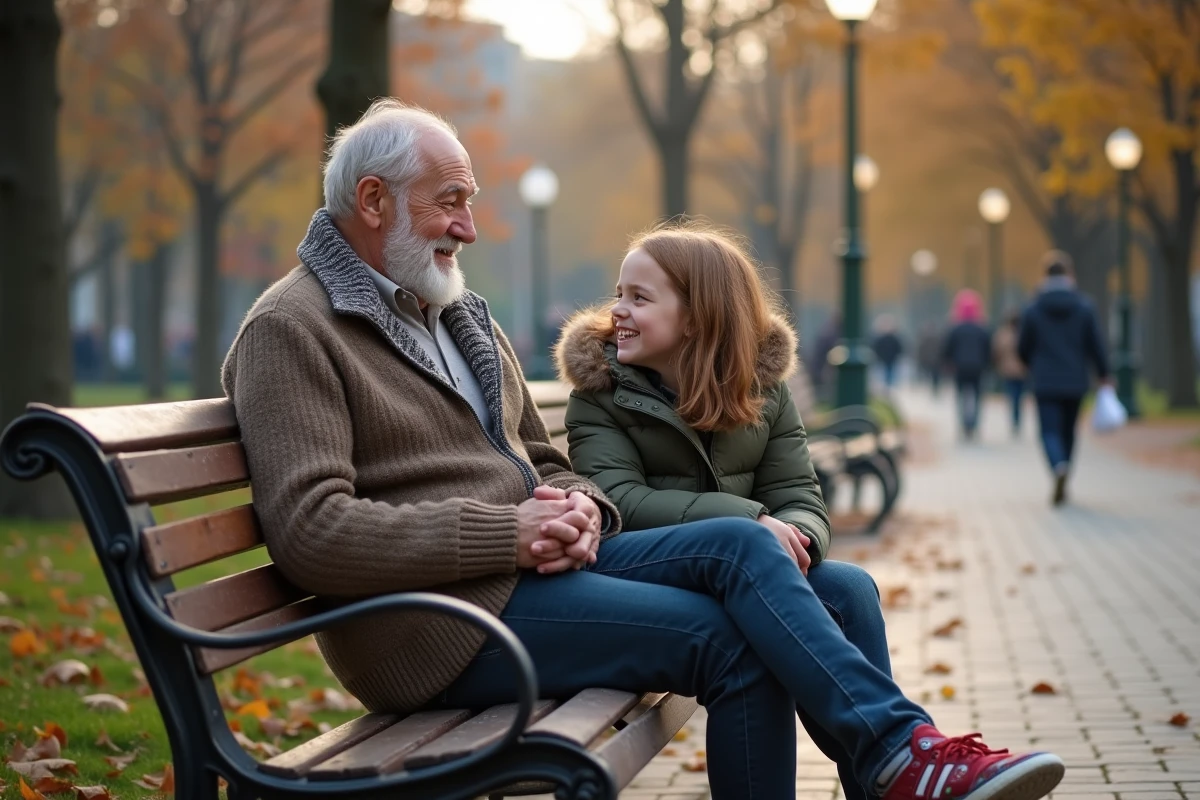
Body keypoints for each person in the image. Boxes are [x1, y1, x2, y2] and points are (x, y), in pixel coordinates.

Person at [222, 101, 1064, 800]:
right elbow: (312, 532)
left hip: (524, 578)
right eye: (450, 201)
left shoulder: (454, 314)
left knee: (836, 588)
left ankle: (896, 762)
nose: (469, 227)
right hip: (432, 628)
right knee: (737, 638)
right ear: (372, 201)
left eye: (468, 202)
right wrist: (506, 532)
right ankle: (899, 758)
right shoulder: (292, 330)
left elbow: (542, 462)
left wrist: (582, 506)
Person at [553, 223, 1064, 800]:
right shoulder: (600, 392)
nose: (617, 310)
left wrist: (796, 534)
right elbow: (621, 501)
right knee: (750, 556)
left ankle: (892, 777)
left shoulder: (763, 389)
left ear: (698, 316)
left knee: (847, 588)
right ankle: (903, 753)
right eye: (619, 293)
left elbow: (800, 491)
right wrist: (750, 521)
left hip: (734, 565)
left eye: (639, 298)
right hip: (639, 569)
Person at [1018, 251, 1110, 506]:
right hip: (1075, 379)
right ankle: (1065, 470)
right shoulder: (1084, 306)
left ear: (1044, 275)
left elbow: (1023, 345)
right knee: (1069, 431)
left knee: (1048, 431)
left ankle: (1058, 466)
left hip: (1045, 380)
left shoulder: (1033, 308)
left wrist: (1030, 364)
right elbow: (1095, 344)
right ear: (1069, 274)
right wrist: (1103, 373)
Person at [942, 290, 992, 440]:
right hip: (977, 367)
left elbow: (948, 348)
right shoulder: (982, 328)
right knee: (977, 396)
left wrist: (948, 362)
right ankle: (973, 424)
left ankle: (963, 424)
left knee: (961, 396)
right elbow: (987, 348)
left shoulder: (955, 328)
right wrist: (987, 364)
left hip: (960, 367)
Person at [993, 310, 1027, 438]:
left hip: (1007, 370)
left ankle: (1014, 420)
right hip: (1022, 370)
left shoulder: (1003, 334)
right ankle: (1017, 420)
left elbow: (997, 351)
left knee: (1012, 396)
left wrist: (997, 364)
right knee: (1018, 396)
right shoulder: (1023, 332)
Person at [871, 315, 905, 391]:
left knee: (890, 373)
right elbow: (876, 348)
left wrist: (898, 355)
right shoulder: (880, 338)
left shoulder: (894, 338)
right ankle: (885, 387)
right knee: (882, 374)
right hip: (882, 359)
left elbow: (899, 348)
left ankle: (889, 387)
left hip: (891, 359)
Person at [915, 322, 943, 396]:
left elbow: (920, 350)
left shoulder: (923, 338)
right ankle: (934, 388)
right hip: (934, 360)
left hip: (930, 360)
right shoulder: (938, 337)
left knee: (930, 375)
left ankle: (932, 388)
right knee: (934, 376)